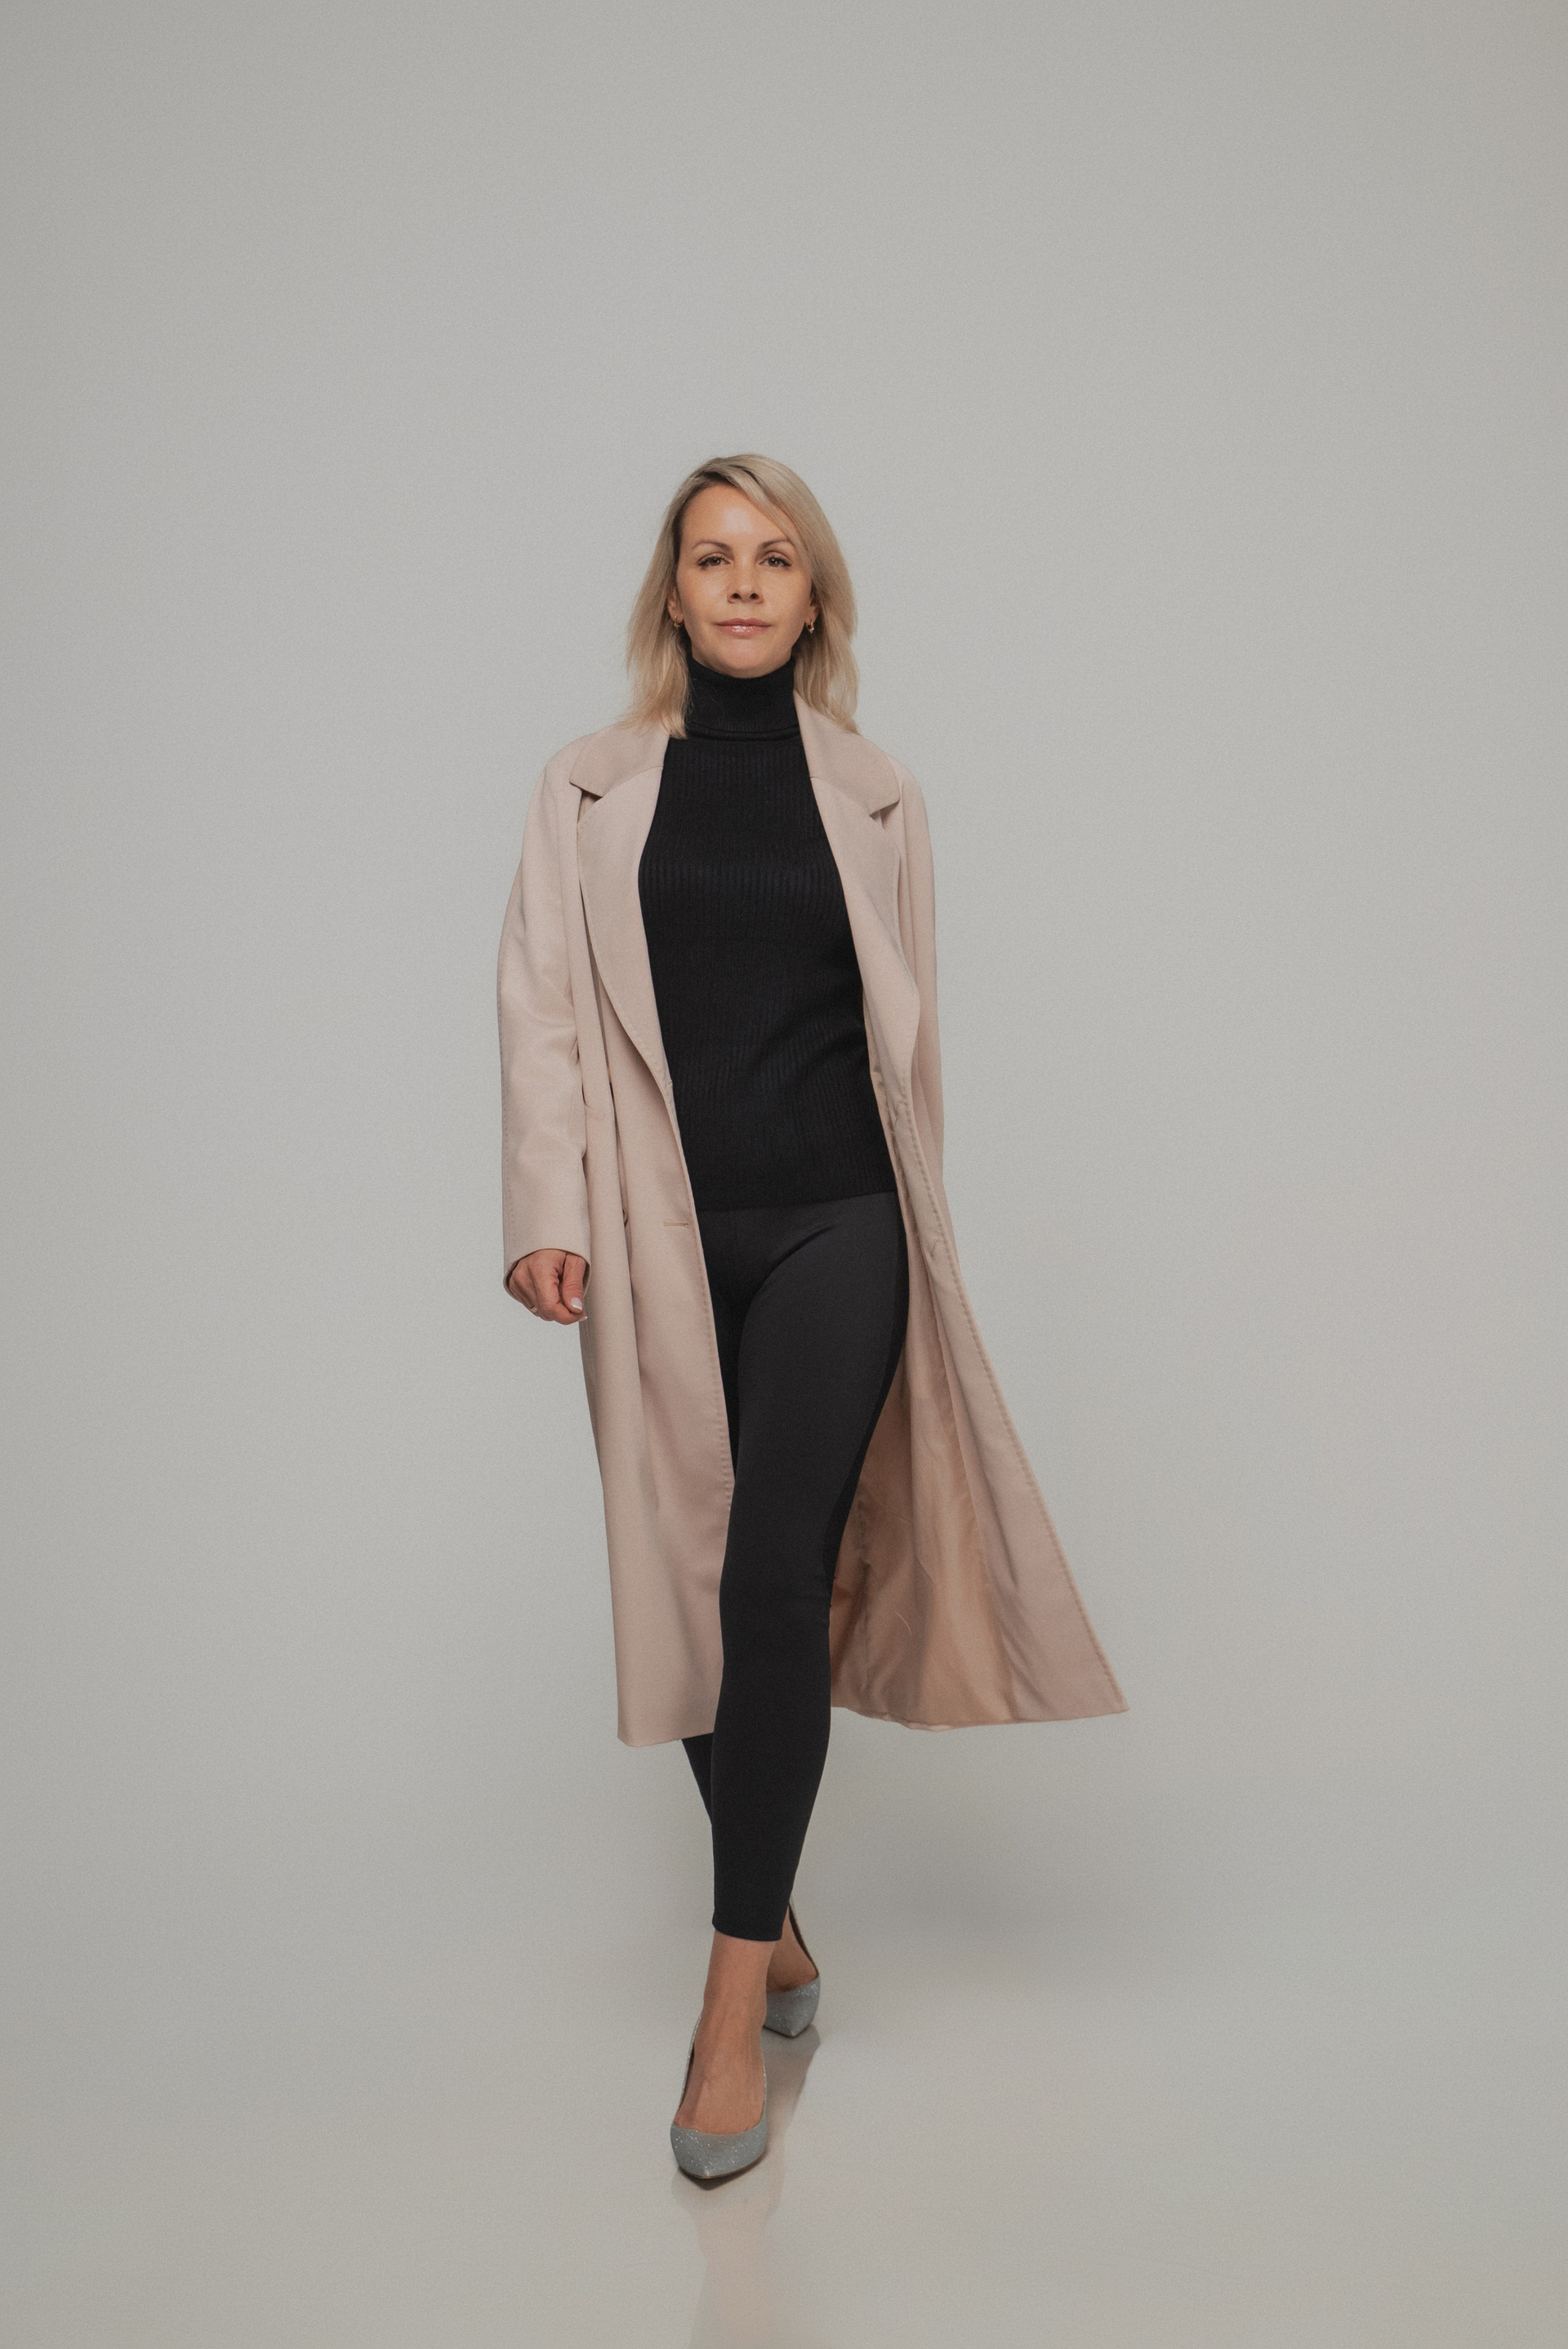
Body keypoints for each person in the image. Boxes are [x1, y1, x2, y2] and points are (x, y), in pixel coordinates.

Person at [497, 455, 1124, 2180]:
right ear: (674, 590)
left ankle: (724, 2020)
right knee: (695, 1577)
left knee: (774, 1570)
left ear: (814, 593)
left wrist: (924, 1225)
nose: (745, 584)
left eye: (776, 557)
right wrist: (548, 1209)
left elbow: (911, 1039)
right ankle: (774, 1926)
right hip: (657, 1229)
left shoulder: (877, 791)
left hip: (843, 1220)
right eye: (715, 557)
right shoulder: (587, 784)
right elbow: (541, 1004)